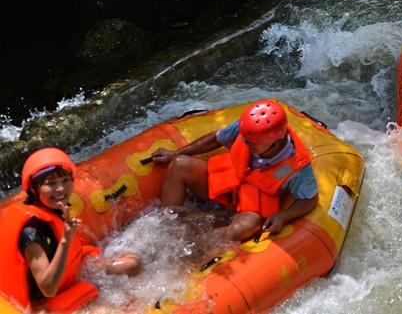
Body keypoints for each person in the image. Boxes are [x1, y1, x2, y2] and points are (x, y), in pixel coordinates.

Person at [151, 100, 319, 242]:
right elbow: (215, 139)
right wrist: (176, 154)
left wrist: (284, 216)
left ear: (275, 143)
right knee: (180, 164)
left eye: (253, 142)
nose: (246, 142)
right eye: (246, 138)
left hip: (249, 208)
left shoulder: (298, 166)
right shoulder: (250, 131)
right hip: (221, 187)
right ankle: (166, 229)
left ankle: (196, 245)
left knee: (246, 227)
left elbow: (310, 199)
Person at [0, 148, 142, 313]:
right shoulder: (30, 232)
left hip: (70, 272)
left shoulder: (53, 209)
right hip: (46, 301)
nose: (60, 188)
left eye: (65, 180)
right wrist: (66, 240)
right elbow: (48, 288)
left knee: (133, 263)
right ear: (34, 188)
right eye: (50, 183)